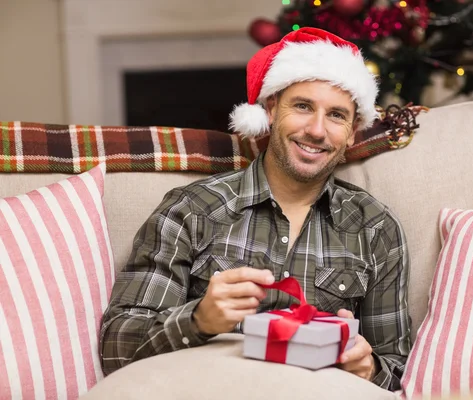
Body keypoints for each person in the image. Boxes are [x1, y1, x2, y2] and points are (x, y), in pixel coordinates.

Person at [99, 27, 411, 392]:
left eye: (337, 115)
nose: (316, 130)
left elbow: (398, 372)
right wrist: (200, 319)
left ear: (353, 131)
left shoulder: (375, 229)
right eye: (303, 106)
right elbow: (116, 347)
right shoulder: (192, 210)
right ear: (271, 107)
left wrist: (367, 366)